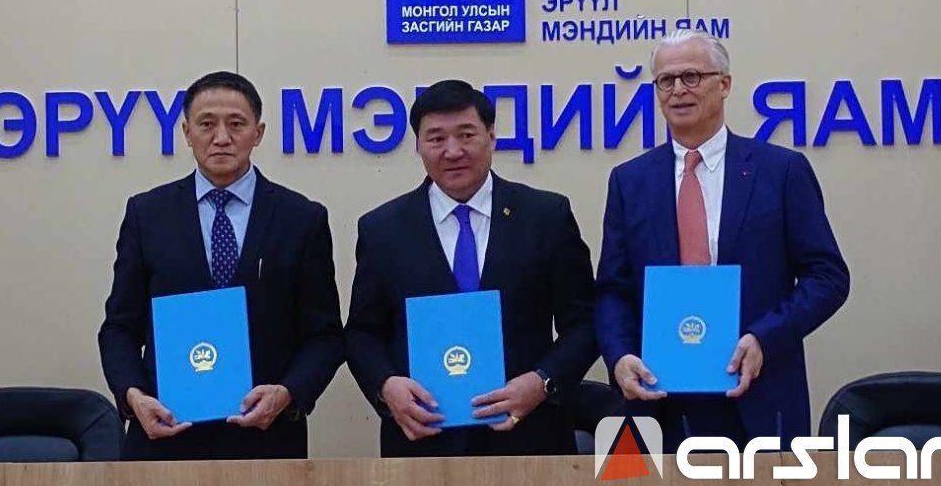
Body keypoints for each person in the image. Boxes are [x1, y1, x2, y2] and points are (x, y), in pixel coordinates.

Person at [595, 29, 849, 450]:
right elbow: (612, 290)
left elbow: (828, 277)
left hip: (757, 393)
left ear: (725, 84)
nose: (678, 90)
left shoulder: (781, 171)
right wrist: (620, 356)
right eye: (665, 80)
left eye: (692, 76)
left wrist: (765, 338)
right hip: (658, 402)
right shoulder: (630, 181)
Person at [97, 71, 345, 459]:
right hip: (164, 438)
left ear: (258, 133)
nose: (222, 137)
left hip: (267, 440)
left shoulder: (301, 218)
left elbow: (325, 335)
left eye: (236, 124)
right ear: (186, 132)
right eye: (207, 124)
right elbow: (119, 327)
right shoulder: (147, 214)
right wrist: (133, 396)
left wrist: (288, 393)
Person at [345, 79, 599, 457]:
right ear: (418, 145)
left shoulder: (546, 216)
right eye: (436, 139)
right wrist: (387, 387)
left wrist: (542, 382)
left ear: (491, 137)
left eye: (466, 135)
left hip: (530, 439)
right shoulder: (383, 229)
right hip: (423, 443)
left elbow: (584, 322)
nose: (453, 151)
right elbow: (362, 333)